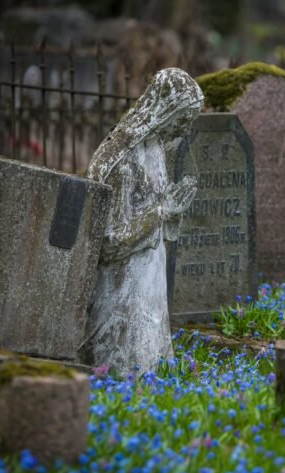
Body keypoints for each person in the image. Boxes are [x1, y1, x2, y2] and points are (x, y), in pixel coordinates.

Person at [80, 68, 203, 374]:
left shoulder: (155, 149)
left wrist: (173, 208)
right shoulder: (121, 159)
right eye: (184, 118)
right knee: (124, 369)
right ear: (166, 110)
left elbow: (155, 213)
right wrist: (162, 210)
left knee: (152, 369)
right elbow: (107, 242)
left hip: (149, 279)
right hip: (122, 289)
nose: (185, 129)